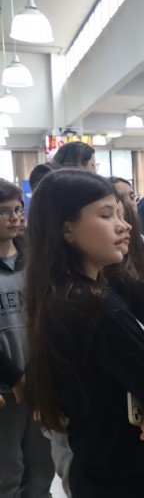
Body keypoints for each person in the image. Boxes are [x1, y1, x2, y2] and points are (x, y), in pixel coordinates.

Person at [24, 169, 144, 497]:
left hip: (105, 467)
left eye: (121, 212)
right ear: (66, 230)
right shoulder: (93, 308)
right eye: (106, 215)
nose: (125, 224)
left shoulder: (74, 292)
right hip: (126, 477)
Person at [0, 180, 54, 497]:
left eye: (18, 209)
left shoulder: (34, 261)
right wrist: (15, 377)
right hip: (6, 389)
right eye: (4, 211)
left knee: (41, 471)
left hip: (39, 382)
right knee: (8, 473)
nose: (15, 217)